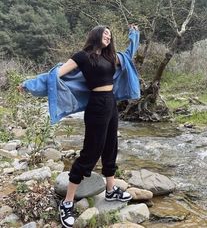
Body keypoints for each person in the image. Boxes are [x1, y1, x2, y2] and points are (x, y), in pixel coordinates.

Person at [19, 24, 140, 228]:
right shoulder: (83, 56)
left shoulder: (112, 57)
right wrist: (28, 84)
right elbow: (55, 74)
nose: (108, 37)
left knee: (111, 146)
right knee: (91, 151)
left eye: (110, 35)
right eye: (105, 33)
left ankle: (110, 191)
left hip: (111, 103)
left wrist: (134, 35)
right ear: (96, 35)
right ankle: (67, 202)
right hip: (96, 104)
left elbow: (128, 57)